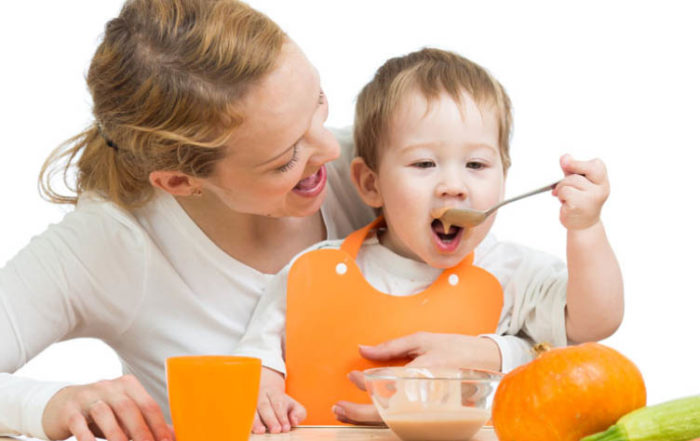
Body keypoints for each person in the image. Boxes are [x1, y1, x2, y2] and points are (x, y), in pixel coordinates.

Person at [0, 1, 379, 440]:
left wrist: (479, 354)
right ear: (180, 182)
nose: (331, 151)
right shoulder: (115, 243)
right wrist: (50, 403)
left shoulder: (378, 174)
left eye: (318, 102)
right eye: (286, 159)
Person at [233, 48, 624, 432]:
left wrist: (585, 229)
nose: (453, 186)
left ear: (504, 176)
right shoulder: (309, 272)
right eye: (424, 164)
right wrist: (265, 390)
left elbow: (594, 323)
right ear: (371, 184)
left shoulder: (513, 272)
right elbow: (258, 359)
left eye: (476, 165)